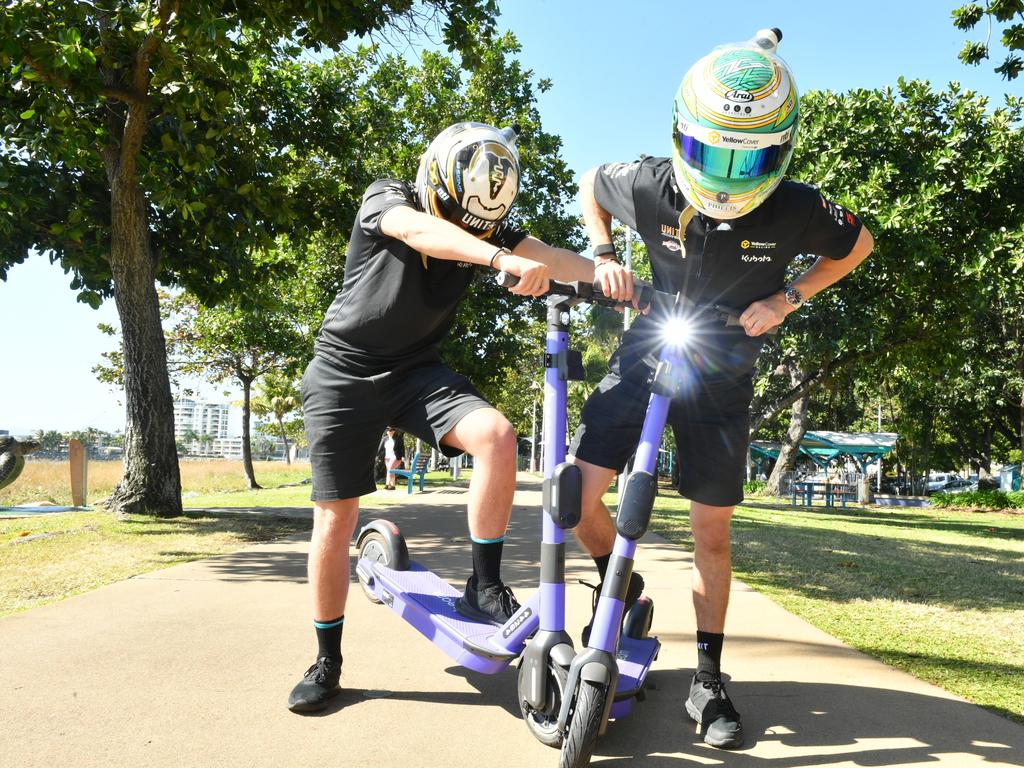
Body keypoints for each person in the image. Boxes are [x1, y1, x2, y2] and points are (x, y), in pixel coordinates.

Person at [570, 29, 874, 749]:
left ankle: (707, 676)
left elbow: (856, 246)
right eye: (713, 152)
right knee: (574, 497)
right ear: (683, 134)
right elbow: (591, 182)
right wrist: (604, 252)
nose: (730, 173)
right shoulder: (649, 181)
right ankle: (622, 588)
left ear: (782, 149)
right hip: (648, 345)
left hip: (725, 367)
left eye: (751, 157)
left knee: (711, 529)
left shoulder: (799, 207)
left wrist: (789, 299)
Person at [288, 122, 598, 713]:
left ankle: (483, 586)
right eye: (465, 220)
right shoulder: (390, 197)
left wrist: (618, 279)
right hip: (342, 373)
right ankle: (327, 660)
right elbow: (421, 233)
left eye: (481, 228)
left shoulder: (486, 231)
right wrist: (497, 256)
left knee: (497, 436)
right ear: (439, 180)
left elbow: (556, 258)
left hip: (415, 373)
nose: (472, 231)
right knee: (335, 518)